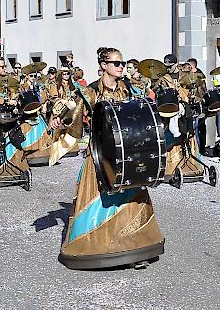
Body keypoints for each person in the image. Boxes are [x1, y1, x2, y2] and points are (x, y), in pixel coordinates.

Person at [58, 47, 164, 269]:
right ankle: (98, 247)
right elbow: (73, 116)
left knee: (131, 201)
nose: (121, 67)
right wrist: (61, 123)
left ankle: (135, 247)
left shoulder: (129, 90)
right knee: (101, 202)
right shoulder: (90, 92)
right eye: (116, 63)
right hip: (99, 156)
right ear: (103, 66)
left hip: (126, 155)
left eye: (122, 63)